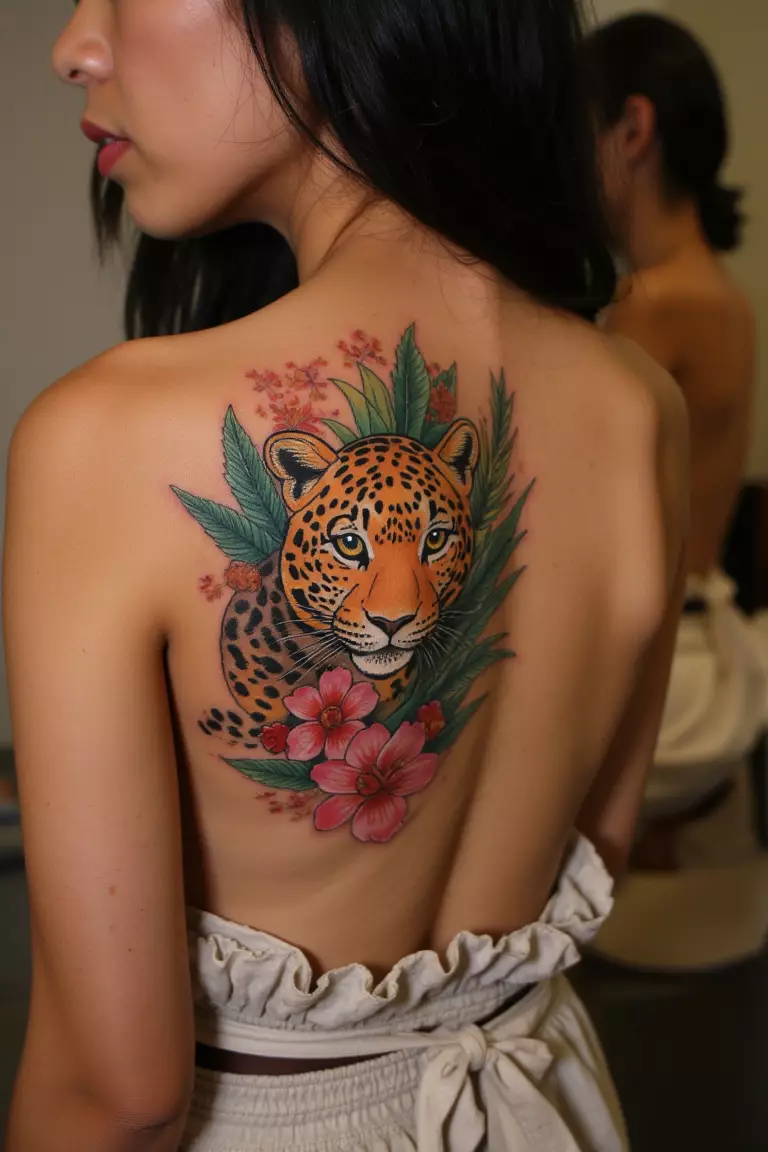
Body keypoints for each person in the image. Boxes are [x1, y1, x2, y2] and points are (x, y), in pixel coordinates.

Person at [3, 1, 687, 1149]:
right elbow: (593, 858)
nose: (75, 44)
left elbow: (118, 1091)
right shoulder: (639, 408)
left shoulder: (107, 438)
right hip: (543, 1095)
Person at [590, 13, 765, 883]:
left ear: (633, 128)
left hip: (662, 668)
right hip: (708, 646)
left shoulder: (652, 303)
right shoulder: (723, 294)